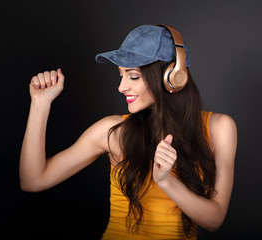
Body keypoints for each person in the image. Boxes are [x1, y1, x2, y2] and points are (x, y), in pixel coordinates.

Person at [19, 24, 237, 240]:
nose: (121, 87)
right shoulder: (112, 131)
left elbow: (214, 220)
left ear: (173, 76)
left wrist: (166, 181)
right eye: (121, 75)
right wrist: (40, 105)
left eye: (133, 76)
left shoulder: (219, 128)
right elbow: (33, 180)